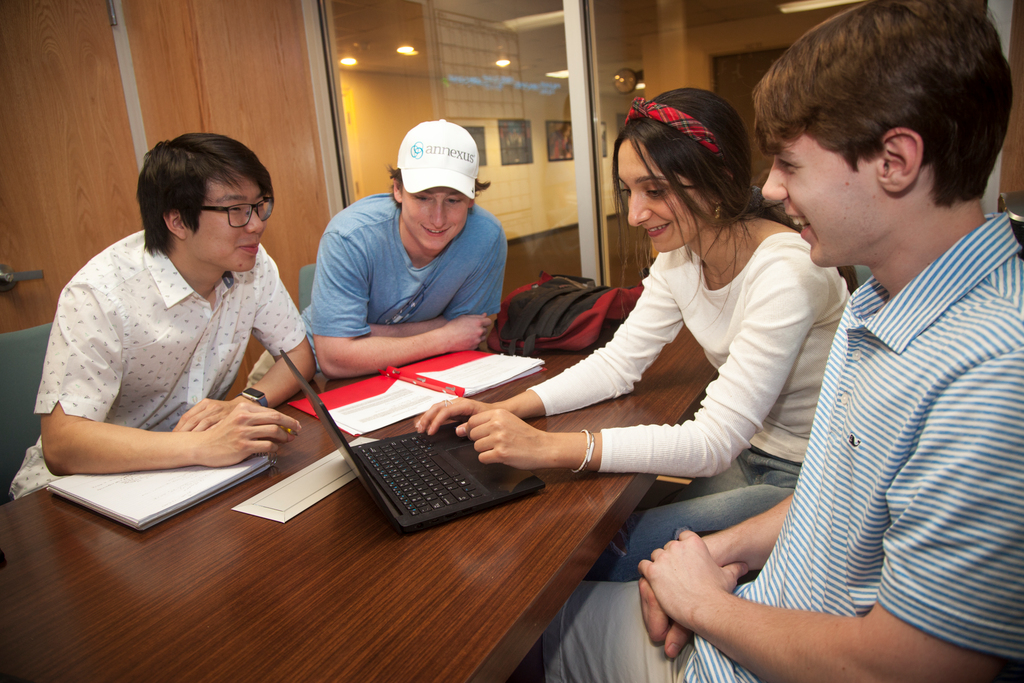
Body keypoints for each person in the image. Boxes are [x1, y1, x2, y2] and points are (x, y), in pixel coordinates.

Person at [537, 1, 1024, 681]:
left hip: (738, 654)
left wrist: (707, 606)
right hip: (754, 609)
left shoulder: (994, 373)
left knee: (523, 625)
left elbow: (907, 669)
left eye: (790, 166)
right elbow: (837, 497)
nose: (769, 189)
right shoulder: (879, 301)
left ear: (895, 160)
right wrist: (720, 554)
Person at [418, 88, 850, 581]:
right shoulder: (680, 256)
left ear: (722, 179)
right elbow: (618, 363)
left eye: (657, 191)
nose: (635, 214)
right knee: (581, 531)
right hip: (752, 451)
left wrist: (549, 448)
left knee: (599, 549)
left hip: (812, 475)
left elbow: (712, 441)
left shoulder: (786, 273)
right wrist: (505, 408)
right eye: (629, 192)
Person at [9, 133, 316, 500]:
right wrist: (203, 447)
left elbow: (298, 355)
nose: (256, 224)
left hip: (190, 476)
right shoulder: (100, 293)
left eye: (260, 204)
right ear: (177, 221)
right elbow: (62, 444)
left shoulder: (253, 264)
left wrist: (245, 402)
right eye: (236, 210)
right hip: (81, 489)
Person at [303, 119, 507, 378]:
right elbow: (335, 358)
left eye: (453, 200)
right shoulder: (350, 236)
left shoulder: (485, 236)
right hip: (309, 366)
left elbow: (469, 333)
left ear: (471, 199)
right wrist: (442, 336)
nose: (438, 219)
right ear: (397, 190)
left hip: (413, 369)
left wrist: (363, 333)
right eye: (423, 198)